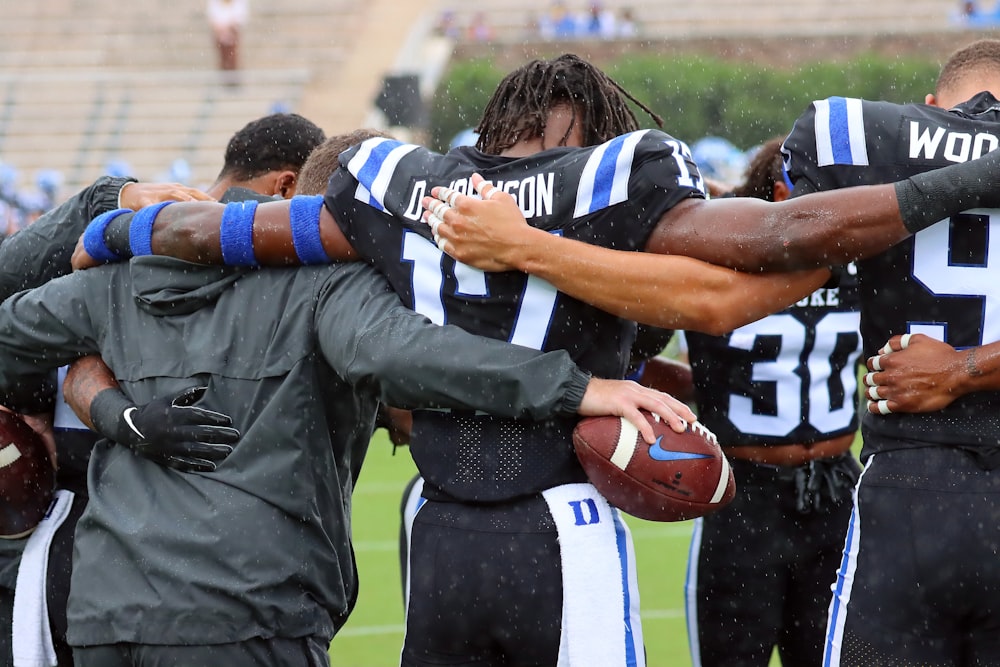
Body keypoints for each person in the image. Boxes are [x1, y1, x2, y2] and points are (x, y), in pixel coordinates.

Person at [72, 54, 841, 666]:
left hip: (438, 523)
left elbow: (226, 235)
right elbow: (745, 269)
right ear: (596, 133)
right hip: (559, 521)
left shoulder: (409, 189)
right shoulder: (612, 189)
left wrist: (116, 231)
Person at [416, 42, 1000, 667]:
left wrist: (961, 370)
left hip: (862, 484)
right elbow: (727, 286)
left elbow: (729, 286)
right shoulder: (849, 236)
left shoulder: (859, 195)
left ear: (932, 110)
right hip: (753, 489)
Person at [0, 111, 326, 667]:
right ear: (287, 186)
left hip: (122, 577)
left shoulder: (144, 242)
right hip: (123, 559)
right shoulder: (164, 238)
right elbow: (66, 354)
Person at [681, 137, 863, 667]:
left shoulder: (859, 258)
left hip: (837, 491)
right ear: (783, 191)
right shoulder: (715, 259)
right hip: (743, 496)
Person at [206, 0, 249, 76]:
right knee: (226, 58)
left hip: (231, 31)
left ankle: (230, 74)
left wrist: (228, 28)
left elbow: (239, 18)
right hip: (222, 32)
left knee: (231, 58)